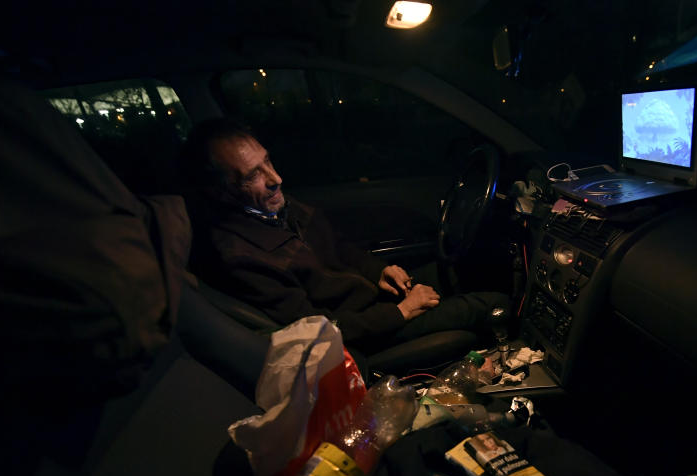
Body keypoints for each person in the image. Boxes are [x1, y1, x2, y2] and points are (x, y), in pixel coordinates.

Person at [180, 117, 509, 354]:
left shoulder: (274, 206)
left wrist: (378, 271)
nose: (275, 178)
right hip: (363, 332)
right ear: (221, 191)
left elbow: (338, 248)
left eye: (267, 161)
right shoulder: (241, 258)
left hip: (371, 301)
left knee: (464, 269)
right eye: (253, 175)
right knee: (490, 304)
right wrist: (401, 311)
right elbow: (315, 333)